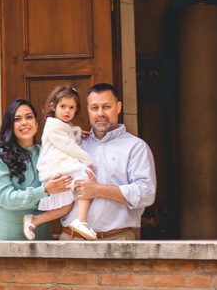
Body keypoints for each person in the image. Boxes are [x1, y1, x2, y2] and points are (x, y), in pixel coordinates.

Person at [59, 83, 156, 240]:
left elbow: (146, 193)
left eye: (106, 107)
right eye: (94, 108)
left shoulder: (135, 147)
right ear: (88, 110)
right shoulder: (75, 144)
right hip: (71, 239)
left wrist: (98, 190)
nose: (100, 113)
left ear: (118, 107)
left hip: (116, 240)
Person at [0, 98, 72, 241]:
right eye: (17, 119)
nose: (24, 122)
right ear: (9, 125)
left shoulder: (46, 152)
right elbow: (6, 198)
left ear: (36, 124)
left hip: (40, 230)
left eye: (29, 117)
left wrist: (76, 136)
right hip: (5, 233)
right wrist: (44, 190)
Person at [23, 86, 97, 241]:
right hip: (56, 165)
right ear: (53, 107)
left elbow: (69, 138)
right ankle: (82, 221)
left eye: (71, 107)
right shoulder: (53, 125)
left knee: (67, 206)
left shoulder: (64, 125)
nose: (67, 111)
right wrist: (87, 161)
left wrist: (77, 132)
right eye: (62, 106)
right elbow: (68, 146)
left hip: (61, 165)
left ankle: (34, 220)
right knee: (85, 176)